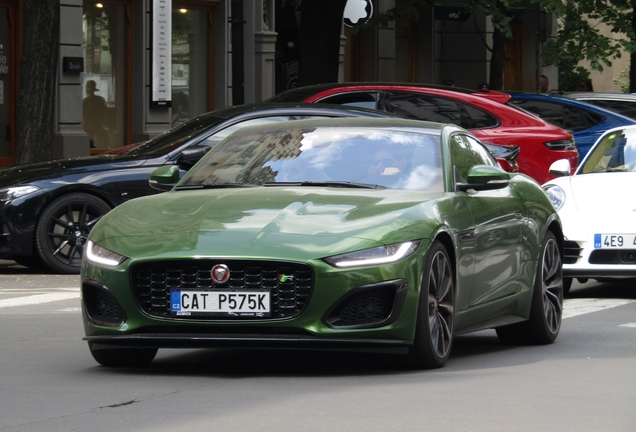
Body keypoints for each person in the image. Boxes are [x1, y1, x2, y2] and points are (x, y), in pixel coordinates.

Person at [82, 79, 110, 148]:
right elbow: (83, 115)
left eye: (90, 88)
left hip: (97, 125)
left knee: (103, 140)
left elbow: (105, 113)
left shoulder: (99, 100)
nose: (88, 91)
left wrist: (109, 125)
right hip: (89, 126)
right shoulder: (85, 101)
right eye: (87, 88)